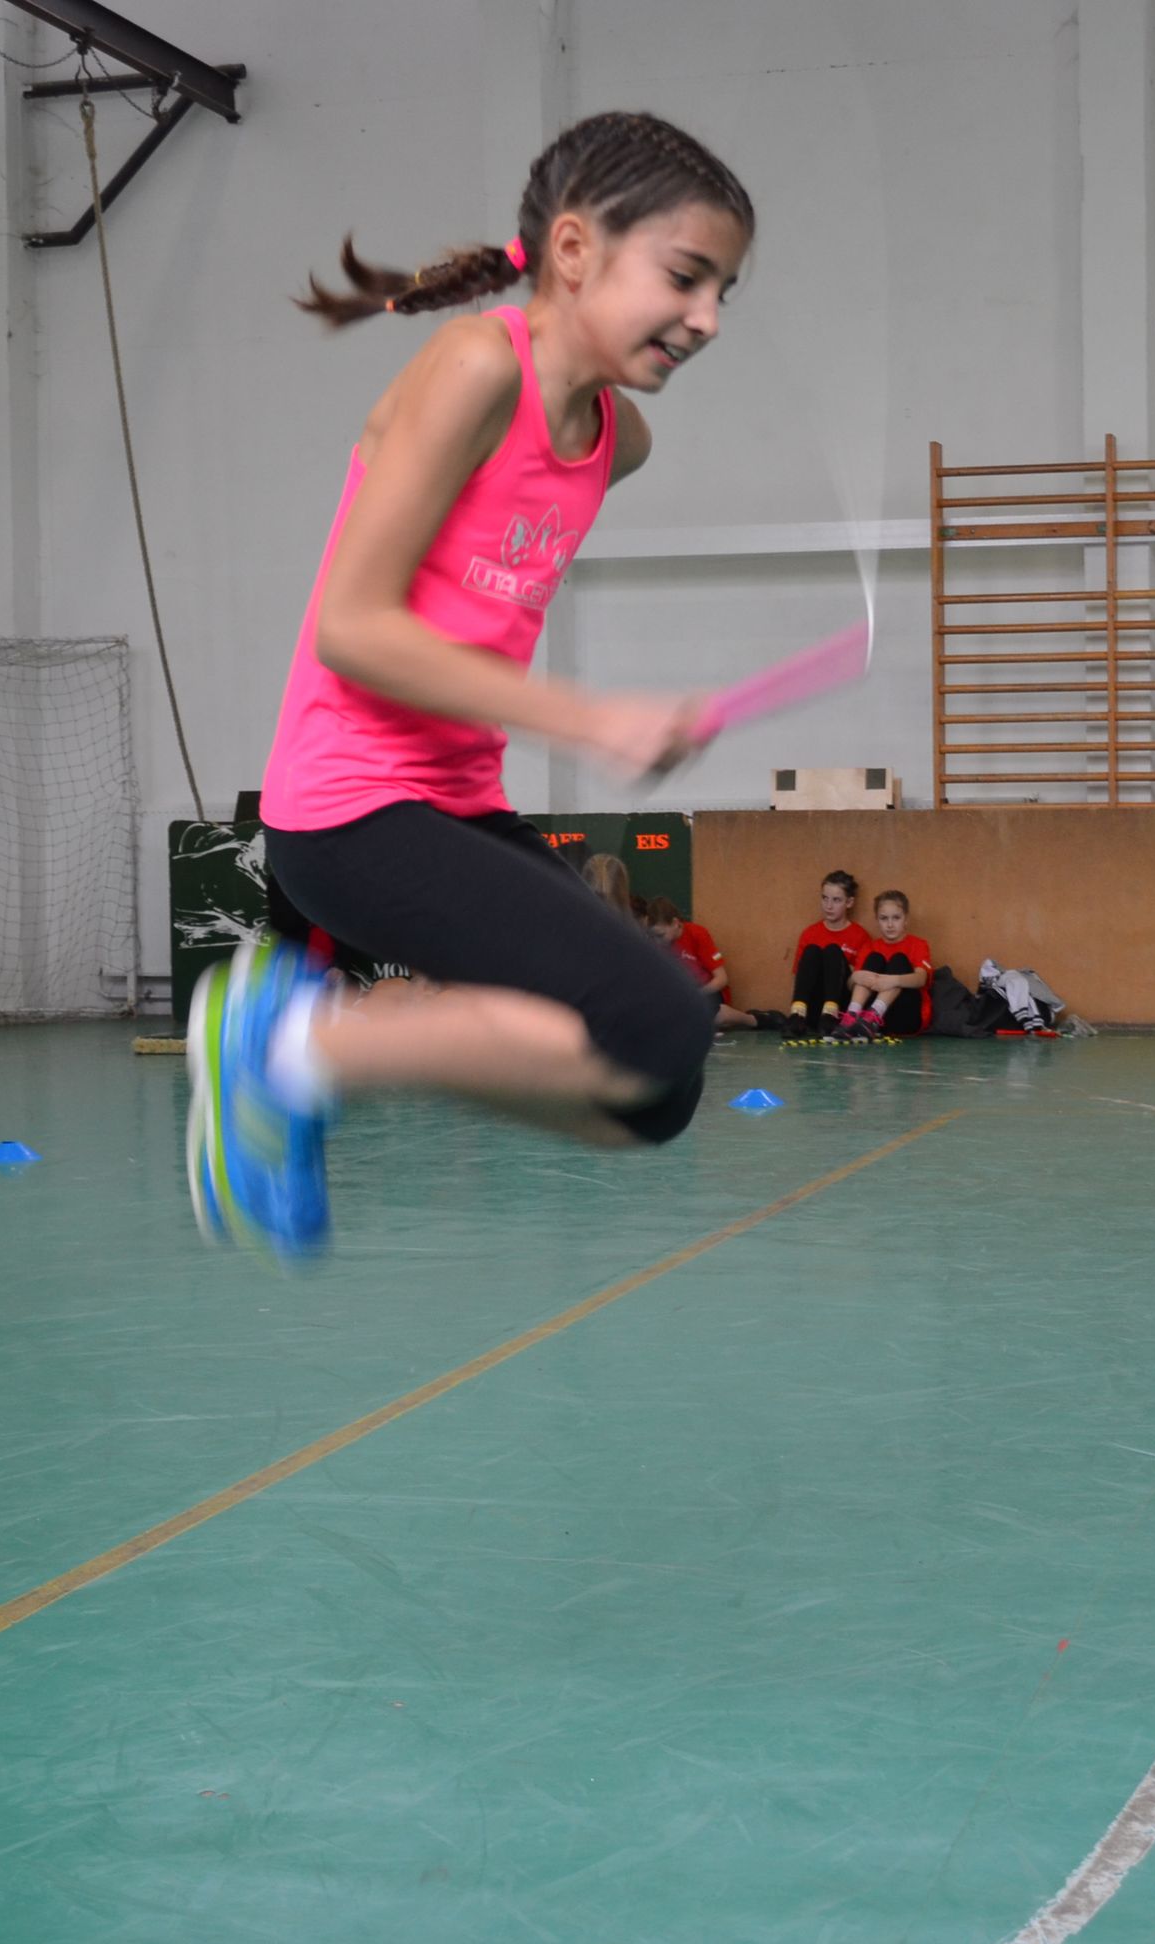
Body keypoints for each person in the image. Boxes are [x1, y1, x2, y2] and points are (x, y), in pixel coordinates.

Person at [187, 111, 756, 1258]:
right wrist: (588, 717)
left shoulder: (618, 438)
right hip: (348, 808)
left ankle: (359, 1034)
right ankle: (289, 1046)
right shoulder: (472, 366)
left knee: (656, 1090)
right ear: (575, 249)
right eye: (685, 277)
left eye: (722, 293)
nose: (706, 317)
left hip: (454, 805)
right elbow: (351, 626)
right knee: (652, 1018)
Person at [644, 893, 755, 1030]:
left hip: (707, 991)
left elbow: (721, 979)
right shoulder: (656, 944)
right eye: (652, 936)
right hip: (681, 995)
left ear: (675, 923)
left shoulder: (697, 934)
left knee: (709, 1015)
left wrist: (696, 994)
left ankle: (752, 1019)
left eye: (660, 935)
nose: (656, 941)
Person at [782, 868, 870, 1040]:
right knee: (812, 950)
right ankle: (797, 1016)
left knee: (832, 951)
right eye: (825, 898)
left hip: (841, 1008)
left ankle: (830, 1014)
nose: (829, 906)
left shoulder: (860, 936)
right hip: (815, 1008)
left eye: (836, 900)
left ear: (849, 902)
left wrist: (839, 966)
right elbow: (800, 977)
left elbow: (859, 983)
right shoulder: (810, 933)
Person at [836, 889, 932, 1040]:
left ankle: (875, 1013)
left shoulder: (917, 944)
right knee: (874, 958)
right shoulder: (869, 947)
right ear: (877, 920)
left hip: (905, 1018)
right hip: (873, 1024)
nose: (890, 924)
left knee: (899, 960)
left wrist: (893, 981)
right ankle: (851, 1016)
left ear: (906, 919)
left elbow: (921, 979)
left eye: (896, 918)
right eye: (884, 918)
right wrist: (854, 977)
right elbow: (850, 985)